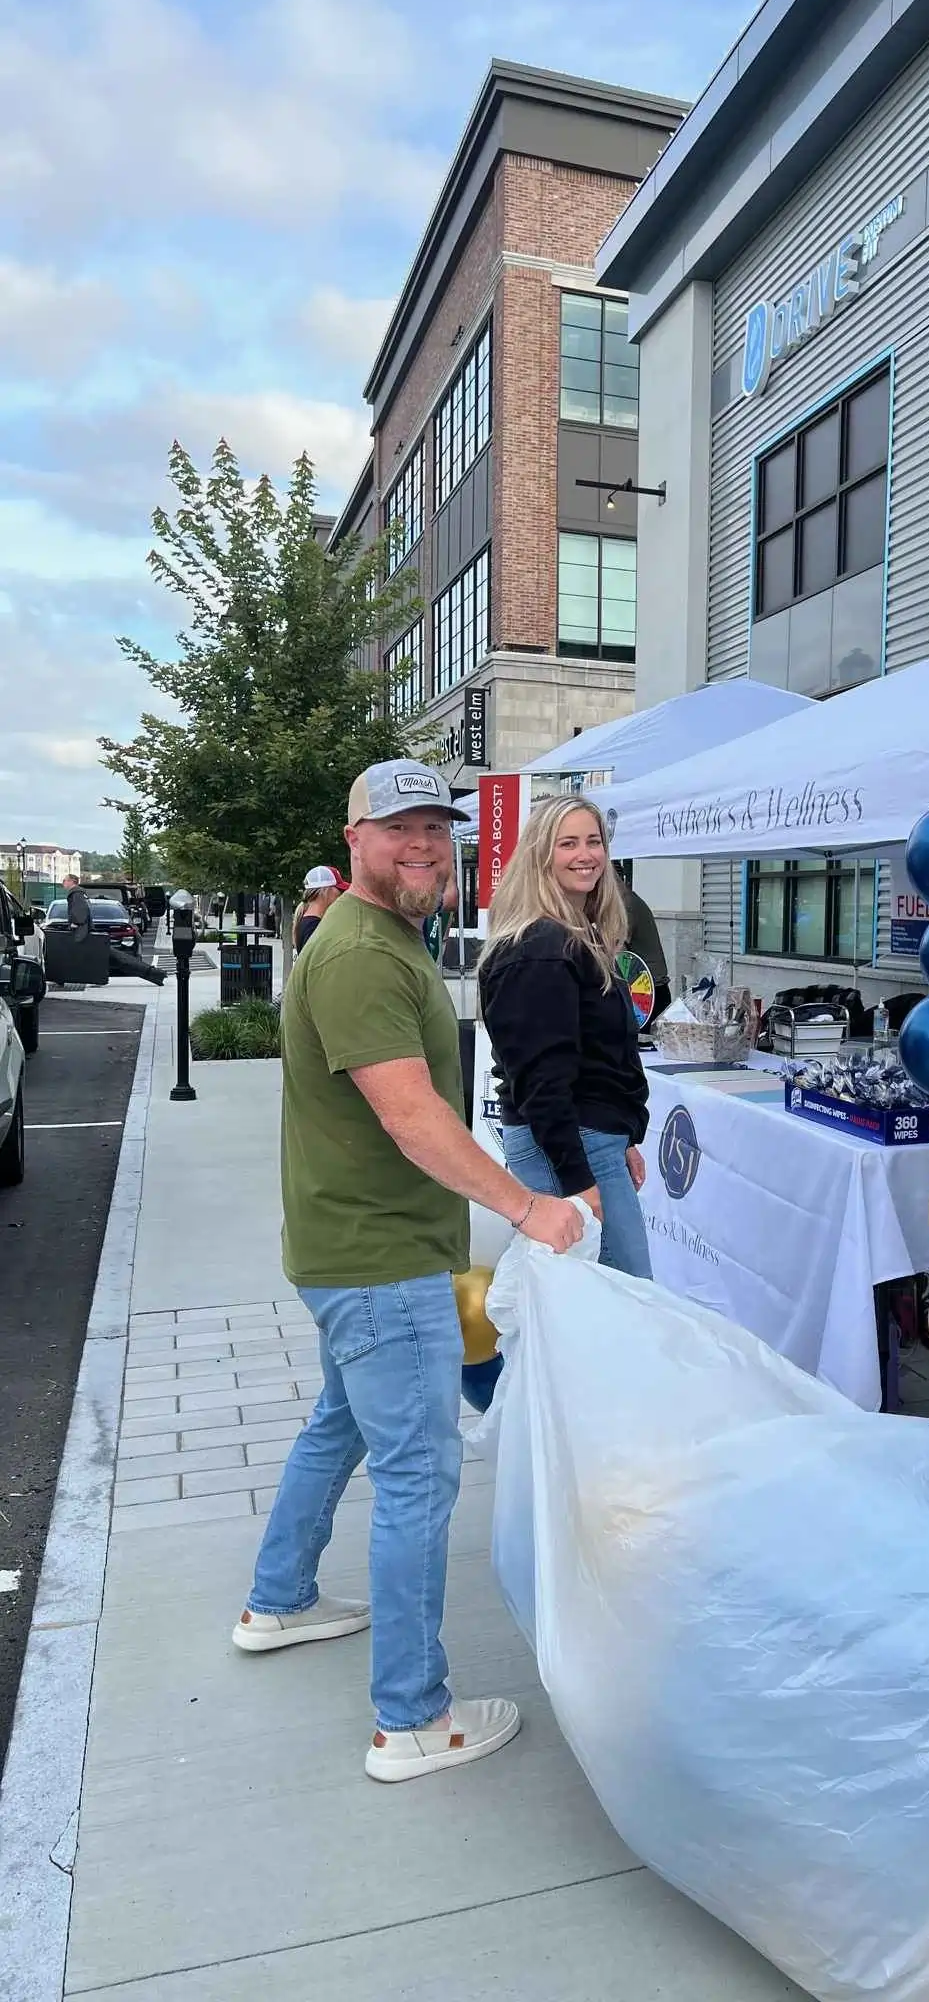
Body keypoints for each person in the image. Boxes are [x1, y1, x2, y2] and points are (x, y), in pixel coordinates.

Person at [233, 759, 585, 1785]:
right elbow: (413, 1117)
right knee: (418, 1479)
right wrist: (528, 1208)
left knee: (339, 1425)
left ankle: (279, 1599)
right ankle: (413, 1718)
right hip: (380, 1262)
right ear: (354, 842)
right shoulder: (357, 954)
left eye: (437, 828)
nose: (424, 846)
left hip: (358, 1250)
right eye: (399, 830)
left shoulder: (387, 940)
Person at [480, 796, 652, 1280]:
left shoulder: (574, 935)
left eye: (594, 841)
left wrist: (621, 1138)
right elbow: (541, 1082)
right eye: (568, 843)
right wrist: (581, 1180)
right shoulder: (541, 948)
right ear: (541, 855)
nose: (586, 854)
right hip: (566, 1145)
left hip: (589, 1138)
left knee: (601, 1302)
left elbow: (595, 1060)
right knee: (621, 1302)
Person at [59, 872, 166, 986]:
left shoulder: (76, 894)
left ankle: (155, 974)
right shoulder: (80, 893)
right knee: (115, 958)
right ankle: (154, 974)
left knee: (116, 958)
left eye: (65, 880)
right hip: (87, 933)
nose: (63, 883)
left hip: (82, 934)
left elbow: (80, 911)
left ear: (72, 881)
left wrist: (76, 923)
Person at [616, 864, 671, 1024]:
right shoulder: (629, 900)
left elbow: (616, 949)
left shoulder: (626, 905)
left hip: (648, 992)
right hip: (647, 987)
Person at [293, 865, 343, 956]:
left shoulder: (308, 922)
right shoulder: (313, 926)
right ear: (326, 891)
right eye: (339, 889)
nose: (341, 894)